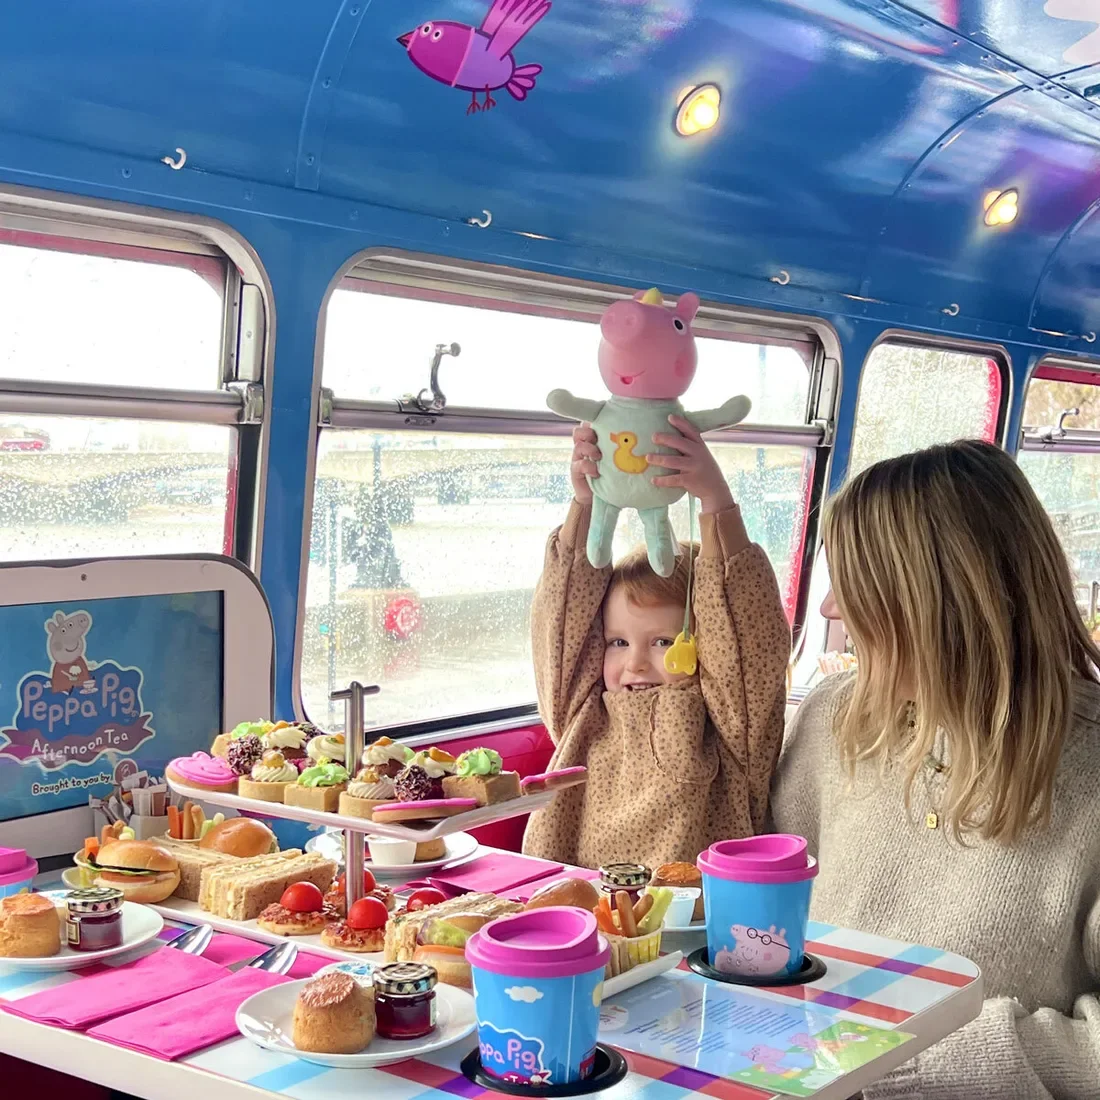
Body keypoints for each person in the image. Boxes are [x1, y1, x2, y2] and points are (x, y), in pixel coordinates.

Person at [772, 439, 1100, 1100]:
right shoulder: (830, 723)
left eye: (856, 586)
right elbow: (768, 915)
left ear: (938, 604)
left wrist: (911, 1058)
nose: (831, 609)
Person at [522, 417, 790, 869]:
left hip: (683, 927)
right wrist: (586, 503)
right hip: (579, 919)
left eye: (665, 641)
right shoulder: (582, 710)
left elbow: (744, 631)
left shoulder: (729, 725)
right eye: (618, 642)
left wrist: (715, 501)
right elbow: (563, 620)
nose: (636, 664)